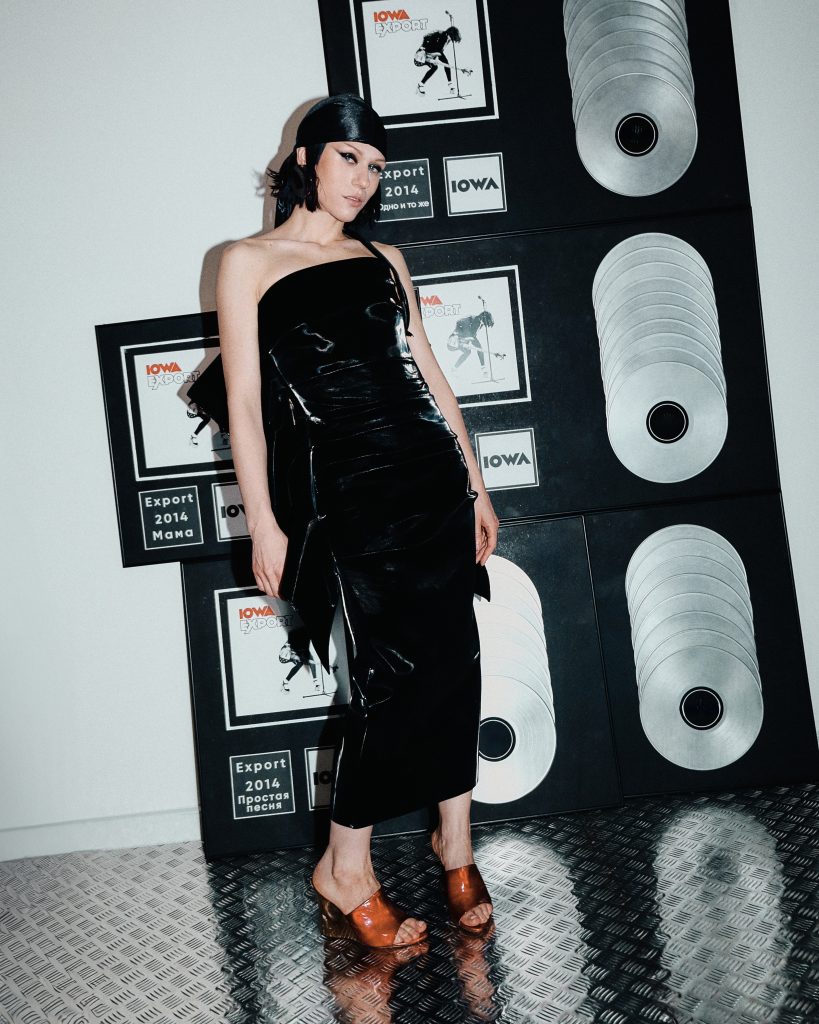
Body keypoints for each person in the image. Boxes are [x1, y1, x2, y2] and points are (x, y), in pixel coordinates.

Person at [216, 94, 499, 949]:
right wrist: (265, 523)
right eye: (349, 158)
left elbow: (429, 373)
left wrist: (476, 483)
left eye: (376, 166)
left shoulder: (384, 258)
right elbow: (243, 403)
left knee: (455, 663)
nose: (363, 179)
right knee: (385, 683)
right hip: (348, 497)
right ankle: (344, 870)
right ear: (306, 158)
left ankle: (456, 843)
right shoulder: (246, 262)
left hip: (429, 481)